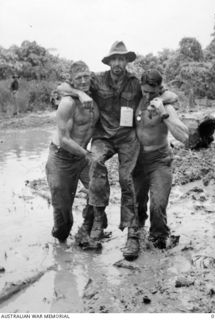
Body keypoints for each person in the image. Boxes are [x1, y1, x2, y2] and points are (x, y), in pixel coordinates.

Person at [58, 41, 142, 260]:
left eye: (121, 59)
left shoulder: (136, 83)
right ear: (109, 61)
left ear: (126, 61)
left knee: (127, 178)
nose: (117, 63)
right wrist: (80, 93)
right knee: (95, 162)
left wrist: (165, 100)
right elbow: (60, 88)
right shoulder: (97, 79)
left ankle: (132, 233)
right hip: (103, 136)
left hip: (127, 138)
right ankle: (96, 218)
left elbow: (160, 93)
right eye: (114, 58)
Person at [134, 69, 189, 249]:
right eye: (145, 91)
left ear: (159, 88)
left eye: (152, 91)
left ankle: (159, 239)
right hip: (137, 161)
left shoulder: (166, 105)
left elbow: (184, 136)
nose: (148, 95)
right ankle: (137, 234)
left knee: (158, 206)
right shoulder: (135, 100)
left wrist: (163, 112)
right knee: (137, 205)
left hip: (160, 160)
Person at [45, 61, 99, 243]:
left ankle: (86, 231)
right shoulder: (68, 103)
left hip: (82, 157)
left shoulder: (95, 96)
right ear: (72, 81)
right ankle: (60, 248)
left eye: (86, 76)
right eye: (79, 78)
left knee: (99, 190)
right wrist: (87, 154)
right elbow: (65, 140)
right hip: (62, 158)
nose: (84, 81)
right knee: (63, 222)